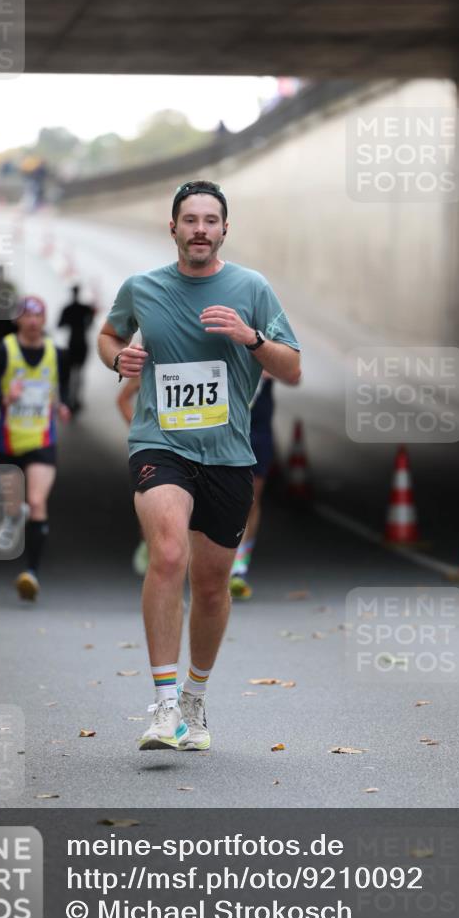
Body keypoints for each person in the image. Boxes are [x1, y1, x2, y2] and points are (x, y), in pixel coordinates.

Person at [98, 179, 301, 751]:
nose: (200, 230)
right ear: (173, 229)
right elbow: (109, 334)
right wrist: (120, 357)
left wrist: (252, 337)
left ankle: (194, 696)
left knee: (211, 586)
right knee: (167, 552)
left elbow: (292, 369)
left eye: (211, 220)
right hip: (159, 443)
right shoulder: (143, 288)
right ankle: (164, 707)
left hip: (229, 454)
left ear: (224, 230)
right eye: (190, 220)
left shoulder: (251, 288)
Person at [0, 296, 71, 600]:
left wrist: (63, 405)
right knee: (15, 507)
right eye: (26, 316)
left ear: (44, 320)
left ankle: (32, 573)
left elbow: (62, 386)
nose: (32, 321)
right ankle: (14, 516)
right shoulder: (4, 351)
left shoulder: (57, 353)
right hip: (9, 441)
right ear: (18, 320)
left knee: (37, 502)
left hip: (42, 441)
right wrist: (2, 399)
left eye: (37, 316)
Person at [229, 373, 277, 600]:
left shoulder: (265, 338)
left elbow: (293, 371)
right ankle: (213, 561)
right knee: (216, 495)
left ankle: (239, 567)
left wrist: (266, 362)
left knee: (251, 500)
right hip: (225, 428)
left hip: (257, 430)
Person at [116, 376, 149, 576]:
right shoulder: (150, 366)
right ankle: (150, 547)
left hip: (189, 446)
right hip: (153, 447)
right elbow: (122, 400)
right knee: (153, 500)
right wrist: (140, 428)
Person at [57, 284, 97, 411]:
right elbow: (91, 323)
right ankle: (76, 398)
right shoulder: (85, 308)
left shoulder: (68, 309)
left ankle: (70, 398)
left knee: (71, 372)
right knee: (79, 372)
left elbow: (59, 324)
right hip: (82, 343)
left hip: (72, 343)